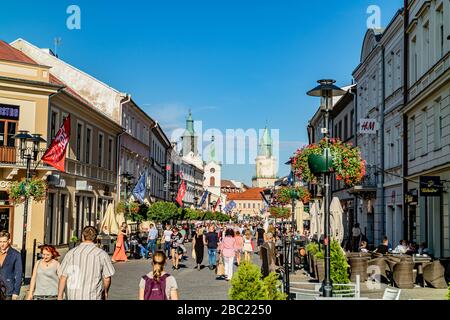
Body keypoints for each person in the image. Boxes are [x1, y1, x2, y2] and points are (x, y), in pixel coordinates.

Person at [58, 226, 115, 300]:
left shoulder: (71, 253)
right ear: (96, 238)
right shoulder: (101, 254)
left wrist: (60, 296)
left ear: (82, 236)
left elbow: (63, 276)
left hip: (73, 295)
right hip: (92, 296)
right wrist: (105, 291)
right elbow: (107, 278)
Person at [0, 231, 22, 300]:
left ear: (9, 241)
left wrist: (16, 292)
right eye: (0, 242)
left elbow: (19, 274)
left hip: (8, 291)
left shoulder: (16, 254)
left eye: (4, 242)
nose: (2, 244)